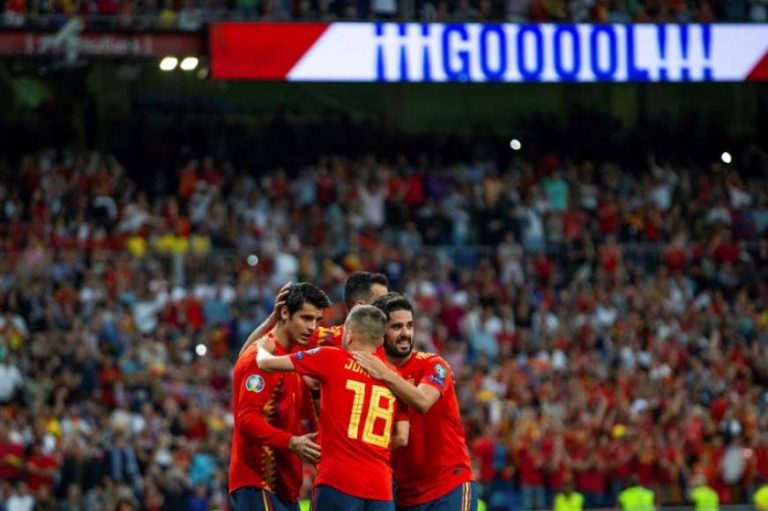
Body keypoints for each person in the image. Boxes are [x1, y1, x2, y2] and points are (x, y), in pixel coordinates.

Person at [257, 304, 410, 511]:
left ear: (349, 335)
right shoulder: (394, 378)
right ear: (381, 339)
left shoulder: (331, 358)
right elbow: (402, 436)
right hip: (381, 489)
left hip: (338, 482)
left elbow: (266, 364)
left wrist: (262, 349)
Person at [353, 293, 477, 511]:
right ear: (380, 331)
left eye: (409, 326)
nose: (406, 334)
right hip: (404, 495)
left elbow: (422, 401)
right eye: (397, 327)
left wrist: (384, 374)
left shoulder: (434, 365)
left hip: (449, 486)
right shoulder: (369, 373)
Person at [229, 283, 330, 511]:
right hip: (259, 482)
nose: (312, 327)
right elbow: (246, 419)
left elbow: (303, 413)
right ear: (285, 313)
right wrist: (291, 442)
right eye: (306, 318)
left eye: (316, 320)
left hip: (284, 486)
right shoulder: (264, 357)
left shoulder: (290, 358)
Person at [239, 272, 389, 356]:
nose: (388, 310)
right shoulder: (326, 339)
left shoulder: (393, 342)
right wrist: (272, 320)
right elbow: (245, 358)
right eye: (381, 303)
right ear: (359, 308)